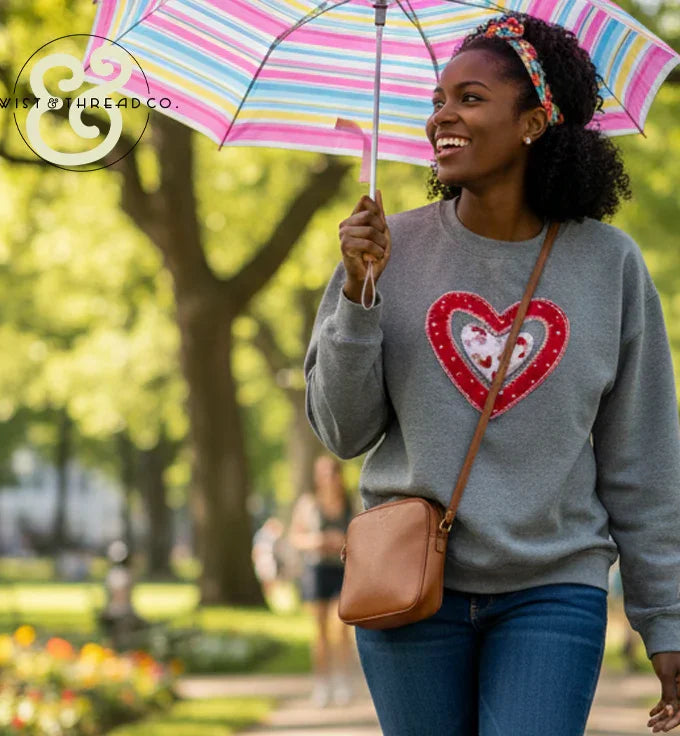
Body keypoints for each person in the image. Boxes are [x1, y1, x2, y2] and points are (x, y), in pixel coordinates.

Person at [304, 11, 680, 736]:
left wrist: (666, 620)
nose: (443, 115)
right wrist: (359, 295)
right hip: (409, 584)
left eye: (469, 98)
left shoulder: (610, 266)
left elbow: (645, 461)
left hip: (553, 586)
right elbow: (343, 432)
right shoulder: (389, 250)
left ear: (535, 121)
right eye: (438, 100)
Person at [289, 454, 358, 708]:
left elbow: (361, 535)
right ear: (317, 477)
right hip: (316, 570)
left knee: (341, 628)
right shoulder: (308, 504)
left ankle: (343, 681)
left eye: (333, 472)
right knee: (319, 632)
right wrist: (317, 540)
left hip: (342, 571)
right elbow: (295, 538)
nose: (329, 478)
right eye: (324, 473)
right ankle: (322, 682)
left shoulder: (350, 503)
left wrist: (342, 541)